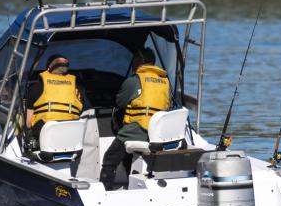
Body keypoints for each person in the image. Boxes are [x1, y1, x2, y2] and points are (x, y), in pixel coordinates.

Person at [100, 48, 171, 190]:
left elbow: (120, 102)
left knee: (110, 157)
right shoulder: (165, 81)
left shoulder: (135, 80)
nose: (132, 64)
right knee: (126, 155)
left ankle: (105, 190)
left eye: (133, 60)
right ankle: (128, 185)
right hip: (157, 132)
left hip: (137, 129)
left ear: (140, 61)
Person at [25, 55, 84, 149]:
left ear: (48, 68)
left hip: (44, 140)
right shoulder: (78, 89)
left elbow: (28, 123)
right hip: (71, 140)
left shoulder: (36, 88)